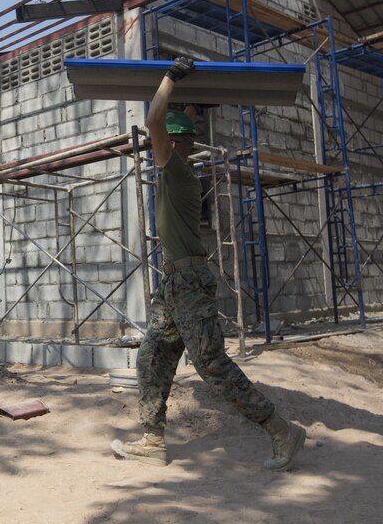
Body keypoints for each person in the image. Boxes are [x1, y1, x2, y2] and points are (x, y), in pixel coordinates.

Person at [111, 56, 306, 470]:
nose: (152, 148)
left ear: (175, 144)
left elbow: (153, 120)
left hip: (190, 282)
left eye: (160, 142)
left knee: (212, 364)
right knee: (153, 356)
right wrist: (192, 108)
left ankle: (282, 431)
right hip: (174, 284)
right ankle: (152, 439)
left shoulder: (179, 173)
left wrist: (171, 79)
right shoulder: (173, 175)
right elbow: (163, 126)